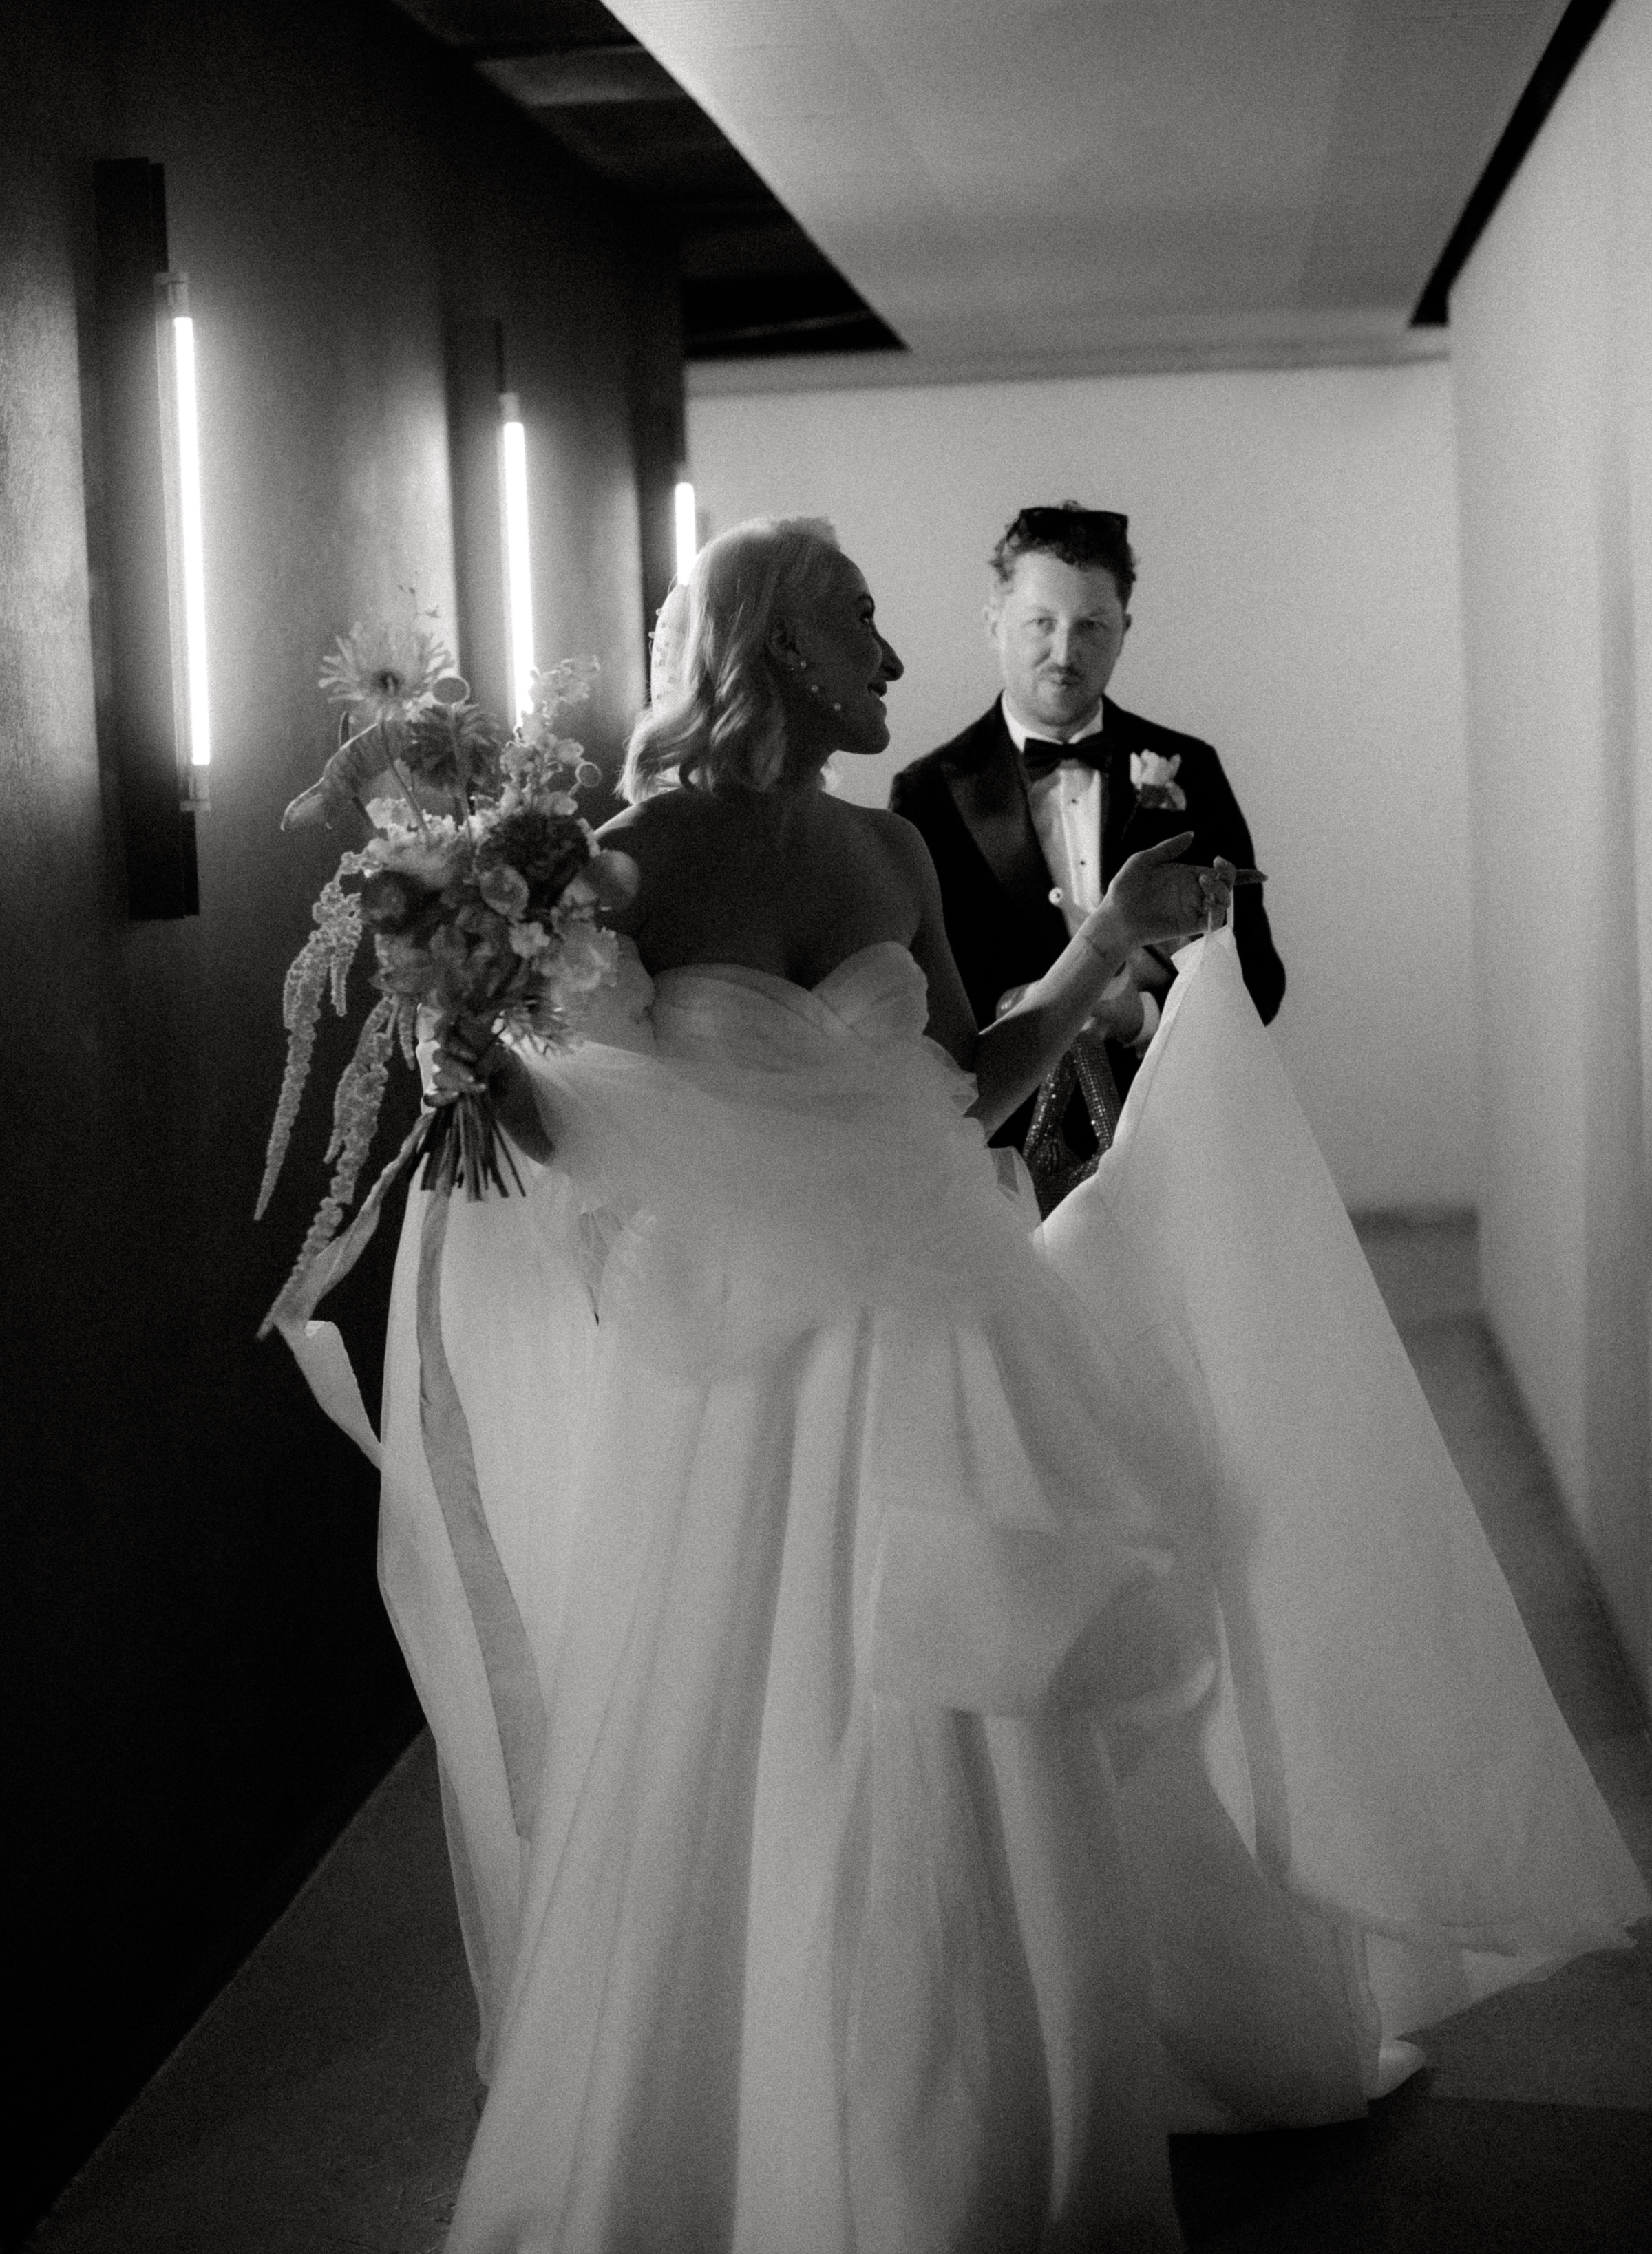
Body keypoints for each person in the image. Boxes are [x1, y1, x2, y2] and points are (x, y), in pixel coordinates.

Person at [384, 518, 1646, 2254]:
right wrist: (454, 1033)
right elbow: (574, 1122)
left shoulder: (888, 849)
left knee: (959, 1713)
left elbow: (965, 1083)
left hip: (928, 1328)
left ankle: (981, 2114)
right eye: (859, 624)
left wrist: (1108, 944)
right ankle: (728, 2112)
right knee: (749, 1709)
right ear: (772, 647)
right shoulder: (610, 867)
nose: (896, 661)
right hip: (742, 1382)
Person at [890, 503, 1284, 1206]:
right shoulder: (924, 794)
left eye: (1092, 625)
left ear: (1125, 630)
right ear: (994, 620)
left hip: (1170, 1147)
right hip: (998, 1157)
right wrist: (1029, 1008)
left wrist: (1137, 1015)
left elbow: (1261, 980)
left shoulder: (1192, 769)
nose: (1065, 652)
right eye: (1041, 622)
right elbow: (910, 1000)